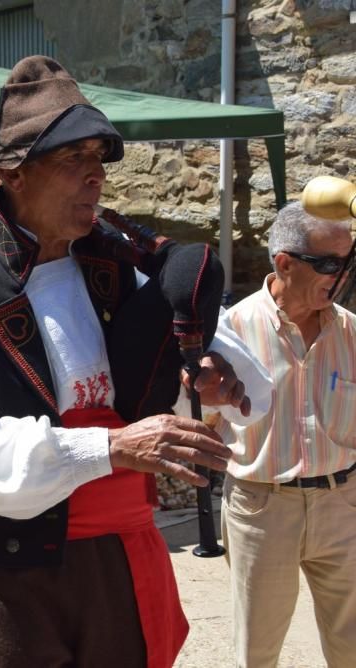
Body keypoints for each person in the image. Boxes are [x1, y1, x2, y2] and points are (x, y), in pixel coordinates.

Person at [0, 56, 270, 668]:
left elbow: (138, 401)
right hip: (14, 575)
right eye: (72, 160)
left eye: (98, 159)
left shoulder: (111, 271)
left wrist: (193, 384)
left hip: (121, 555)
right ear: (13, 174)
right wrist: (112, 450)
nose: (95, 176)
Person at [216, 201, 356, 667]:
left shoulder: (353, 333)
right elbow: (203, 429)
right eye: (331, 264)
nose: (342, 276)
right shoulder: (230, 332)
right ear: (284, 263)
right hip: (262, 507)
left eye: (349, 261)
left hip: (343, 505)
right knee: (257, 651)